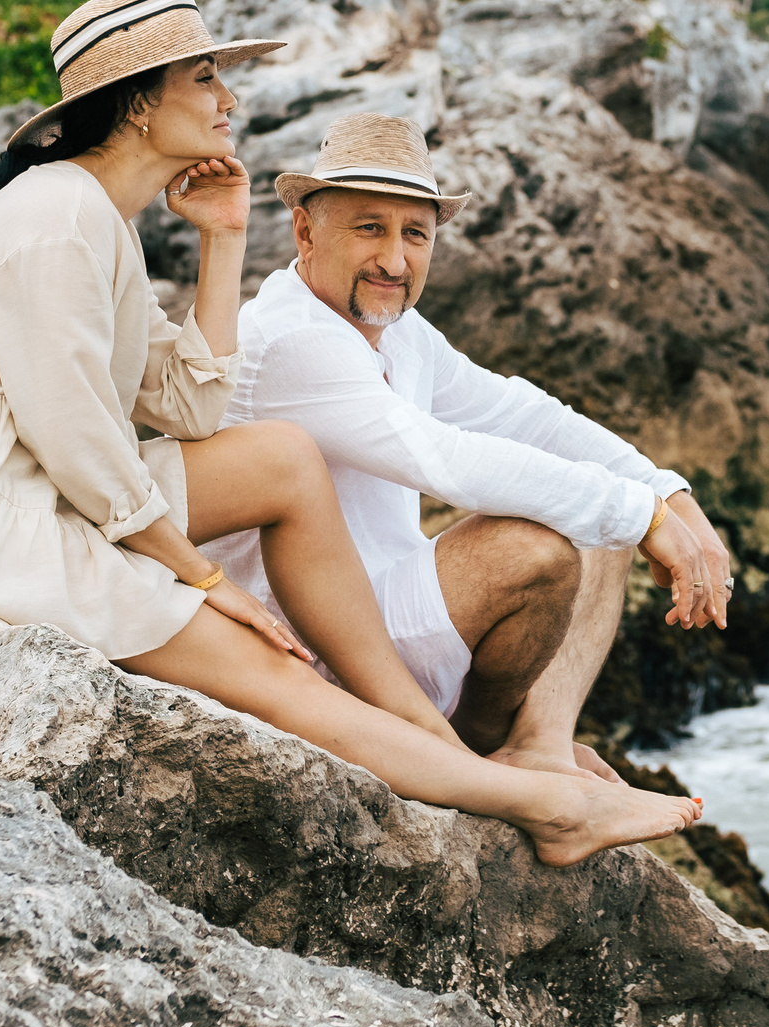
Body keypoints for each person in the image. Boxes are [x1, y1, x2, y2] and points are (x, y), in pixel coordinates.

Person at [0, 0, 697, 866]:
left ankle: (435, 734)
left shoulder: (97, 219)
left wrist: (222, 236)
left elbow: (191, 403)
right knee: (282, 681)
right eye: (204, 76)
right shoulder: (53, 216)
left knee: (283, 459)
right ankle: (547, 807)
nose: (226, 97)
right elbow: (72, 432)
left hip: (41, 487)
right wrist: (198, 575)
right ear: (137, 103)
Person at [198, 112, 734, 783]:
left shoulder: (402, 331)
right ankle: (475, 751)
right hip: (316, 648)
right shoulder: (289, 339)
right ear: (306, 229)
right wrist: (646, 516)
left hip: (392, 611)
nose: (394, 260)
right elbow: (443, 459)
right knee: (544, 544)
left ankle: (538, 744)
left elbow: (526, 417)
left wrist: (668, 492)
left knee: (599, 504)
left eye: (414, 234)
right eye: (370, 227)